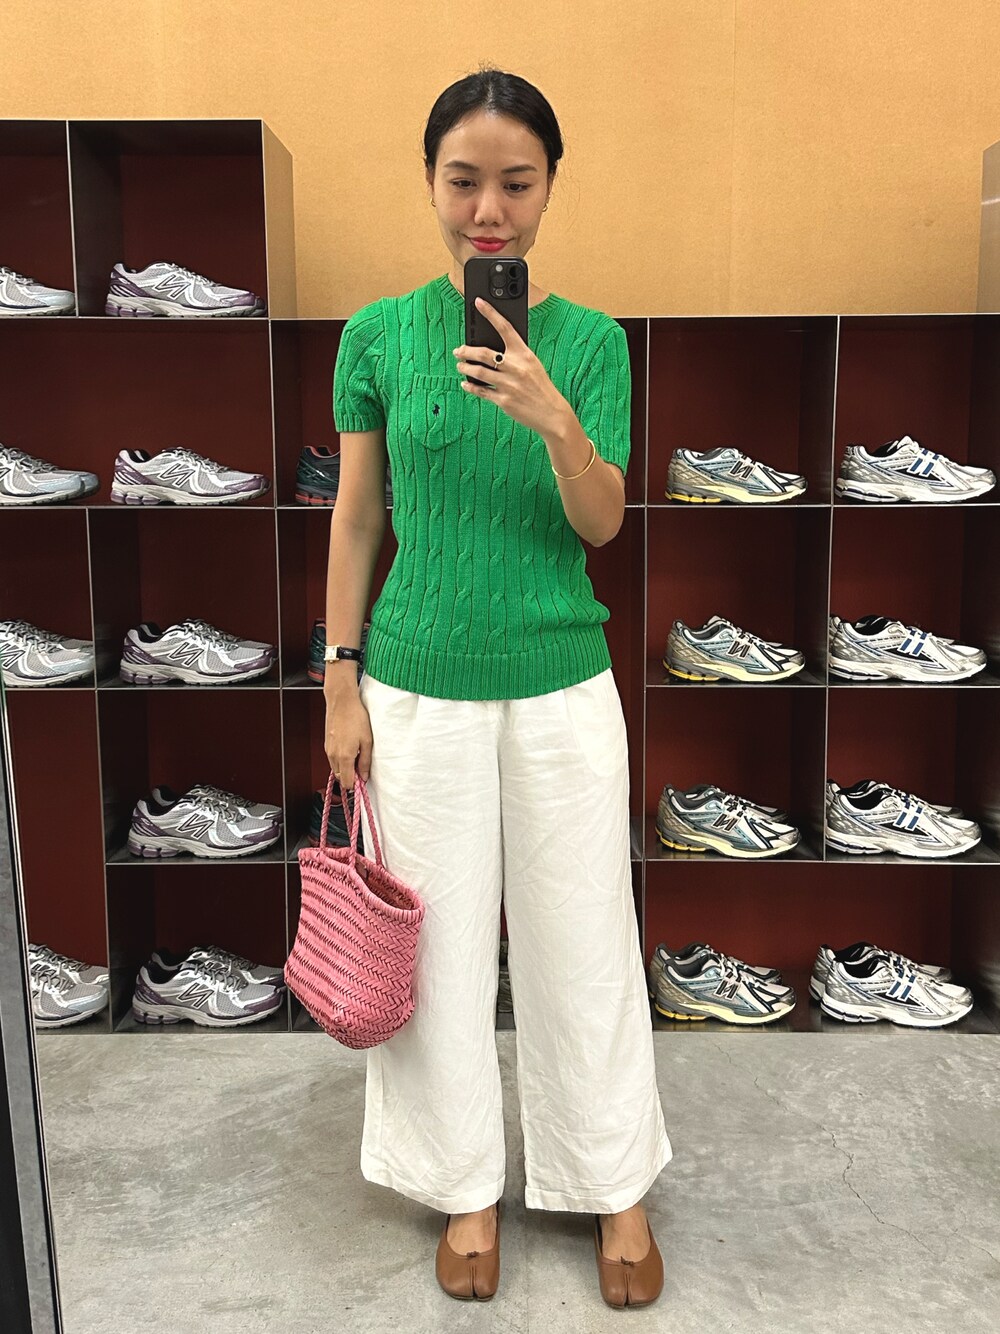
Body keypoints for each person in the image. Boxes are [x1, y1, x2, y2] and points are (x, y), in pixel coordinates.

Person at [323, 66, 672, 1309]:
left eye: (515, 184)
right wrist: (338, 679)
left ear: (549, 189)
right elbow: (356, 517)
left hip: (561, 681)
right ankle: (463, 1181)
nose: (488, 211)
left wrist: (554, 418)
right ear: (429, 182)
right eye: (463, 180)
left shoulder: (592, 341)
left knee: (584, 940)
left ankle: (611, 1179)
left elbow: (603, 521)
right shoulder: (377, 334)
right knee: (443, 947)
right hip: (415, 683)